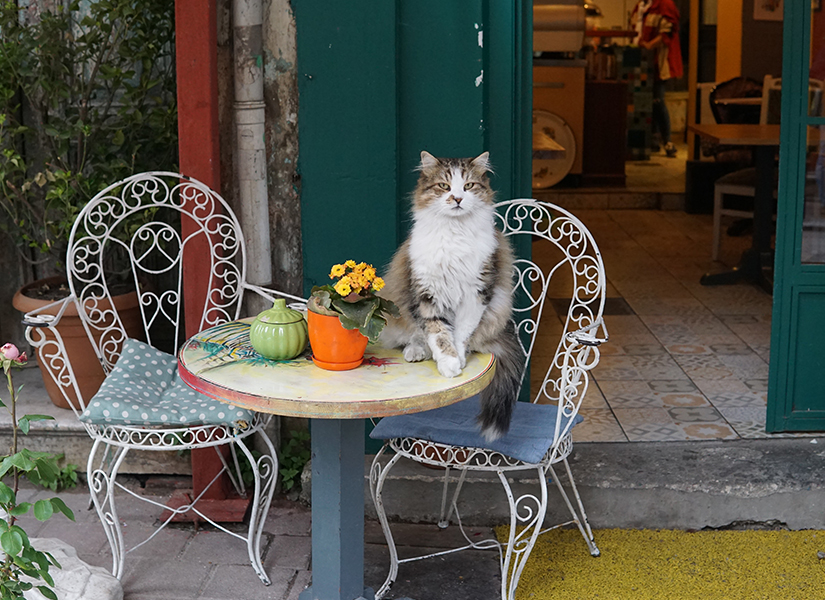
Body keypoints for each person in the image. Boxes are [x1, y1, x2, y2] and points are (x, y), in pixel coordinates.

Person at [631, 0, 684, 158]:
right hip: (641, 60)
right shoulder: (641, 6)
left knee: (657, 100)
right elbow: (635, 28)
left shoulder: (664, 4)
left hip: (659, 62)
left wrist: (649, 45)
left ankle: (667, 140)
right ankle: (652, 140)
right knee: (645, 101)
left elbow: (667, 33)